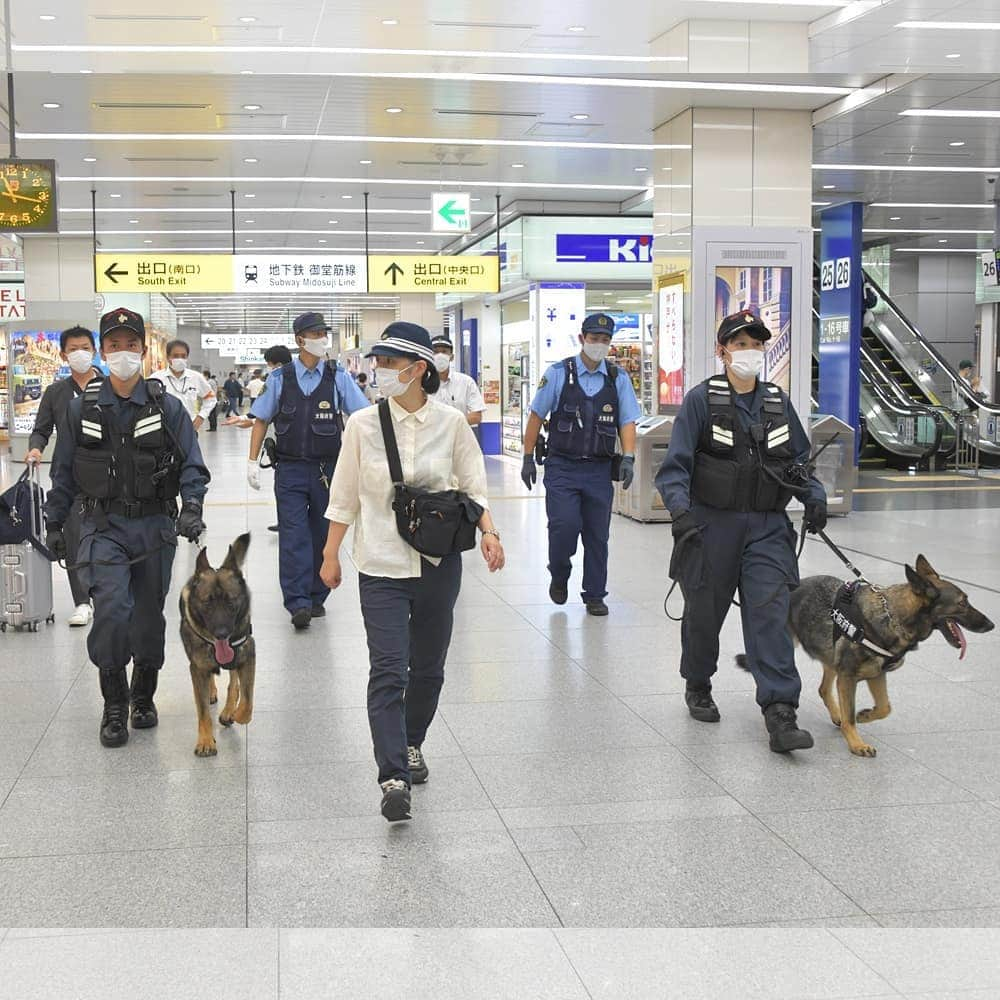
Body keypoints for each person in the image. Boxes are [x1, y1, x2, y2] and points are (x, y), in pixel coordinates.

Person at [319, 322, 504, 822]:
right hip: (379, 562)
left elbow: (473, 487)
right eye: (376, 363)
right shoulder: (361, 425)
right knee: (387, 667)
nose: (378, 371)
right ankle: (393, 774)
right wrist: (331, 555)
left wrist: (489, 532)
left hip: (438, 563)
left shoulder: (452, 424)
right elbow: (343, 497)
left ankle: (413, 741)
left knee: (428, 668)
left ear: (417, 368)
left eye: (387, 363)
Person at [655, 310, 827, 754]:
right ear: (722, 351)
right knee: (705, 614)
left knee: (770, 613)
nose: (749, 351)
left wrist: (815, 494)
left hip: (768, 526)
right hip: (712, 524)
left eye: (756, 343)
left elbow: (798, 461)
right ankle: (697, 681)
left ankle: (780, 712)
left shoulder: (776, 401)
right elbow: (675, 468)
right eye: (741, 343)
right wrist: (681, 512)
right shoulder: (701, 400)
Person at [45, 308, 209, 749]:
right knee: (114, 610)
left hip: (155, 526)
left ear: (142, 350)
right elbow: (63, 471)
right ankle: (114, 701)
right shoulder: (82, 409)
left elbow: (194, 464)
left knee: (147, 616)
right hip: (101, 525)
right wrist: (54, 522)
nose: (122, 354)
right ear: (103, 350)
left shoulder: (166, 406)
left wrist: (191, 505)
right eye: (113, 346)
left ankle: (143, 695)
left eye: (130, 345)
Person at [247, 312, 369, 629]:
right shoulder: (279, 378)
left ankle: (317, 597)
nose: (321, 340)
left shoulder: (337, 376)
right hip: (289, 469)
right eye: (315, 334)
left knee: (322, 534)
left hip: (329, 470)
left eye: (323, 334)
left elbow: (361, 417)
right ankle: (297, 601)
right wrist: (251, 461)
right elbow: (261, 420)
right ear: (299, 339)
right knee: (293, 534)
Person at [520, 313, 641, 616]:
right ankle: (559, 573)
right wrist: (526, 456)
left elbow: (627, 420)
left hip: (599, 469)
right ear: (581, 339)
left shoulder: (618, 378)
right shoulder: (559, 373)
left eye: (604, 340)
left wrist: (628, 457)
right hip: (562, 466)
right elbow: (536, 415)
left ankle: (595, 594)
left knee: (597, 535)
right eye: (593, 338)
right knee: (564, 525)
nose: (599, 345)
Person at [25, 325, 103, 627]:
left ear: (94, 351)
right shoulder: (56, 392)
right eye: (73, 349)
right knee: (73, 539)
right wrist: (35, 449)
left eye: (85, 347)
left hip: (107, 475)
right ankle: (82, 602)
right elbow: (41, 429)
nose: (80, 353)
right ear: (63, 355)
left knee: (109, 536)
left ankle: (107, 595)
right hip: (68, 475)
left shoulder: (110, 386)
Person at [150, 339, 217, 433]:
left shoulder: (196, 377)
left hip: (189, 429)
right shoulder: (156, 379)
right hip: (163, 431)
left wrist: (201, 417)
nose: (180, 359)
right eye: (175, 356)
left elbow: (211, 398)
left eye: (183, 356)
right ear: (168, 357)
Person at [428, 336, 487, 426]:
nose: (440, 355)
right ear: (429, 356)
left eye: (444, 352)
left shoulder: (466, 382)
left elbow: (476, 416)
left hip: (459, 437)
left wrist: (449, 425)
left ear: (451, 357)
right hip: (431, 438)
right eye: (435, 352)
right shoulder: (421, 384)